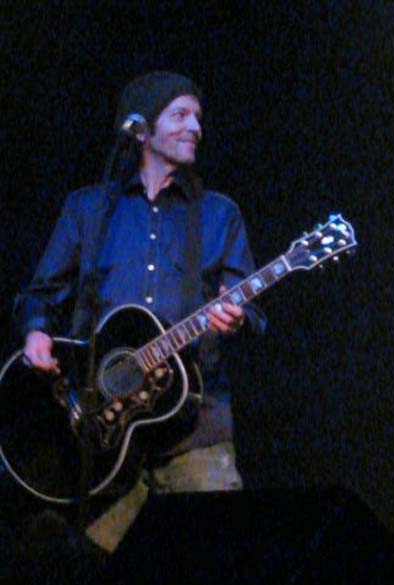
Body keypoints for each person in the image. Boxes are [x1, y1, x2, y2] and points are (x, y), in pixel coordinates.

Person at [12, 71, 265, 561]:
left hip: (195, 432)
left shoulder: (218, 214)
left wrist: (238, 316)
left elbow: (249, 310)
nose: (196, 127)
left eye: (199, 117)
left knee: (216, 562)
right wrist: (37, 332)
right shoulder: (90, 209)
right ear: (142, 130)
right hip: (101, 443)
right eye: (181, 115)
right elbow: (38, 294)